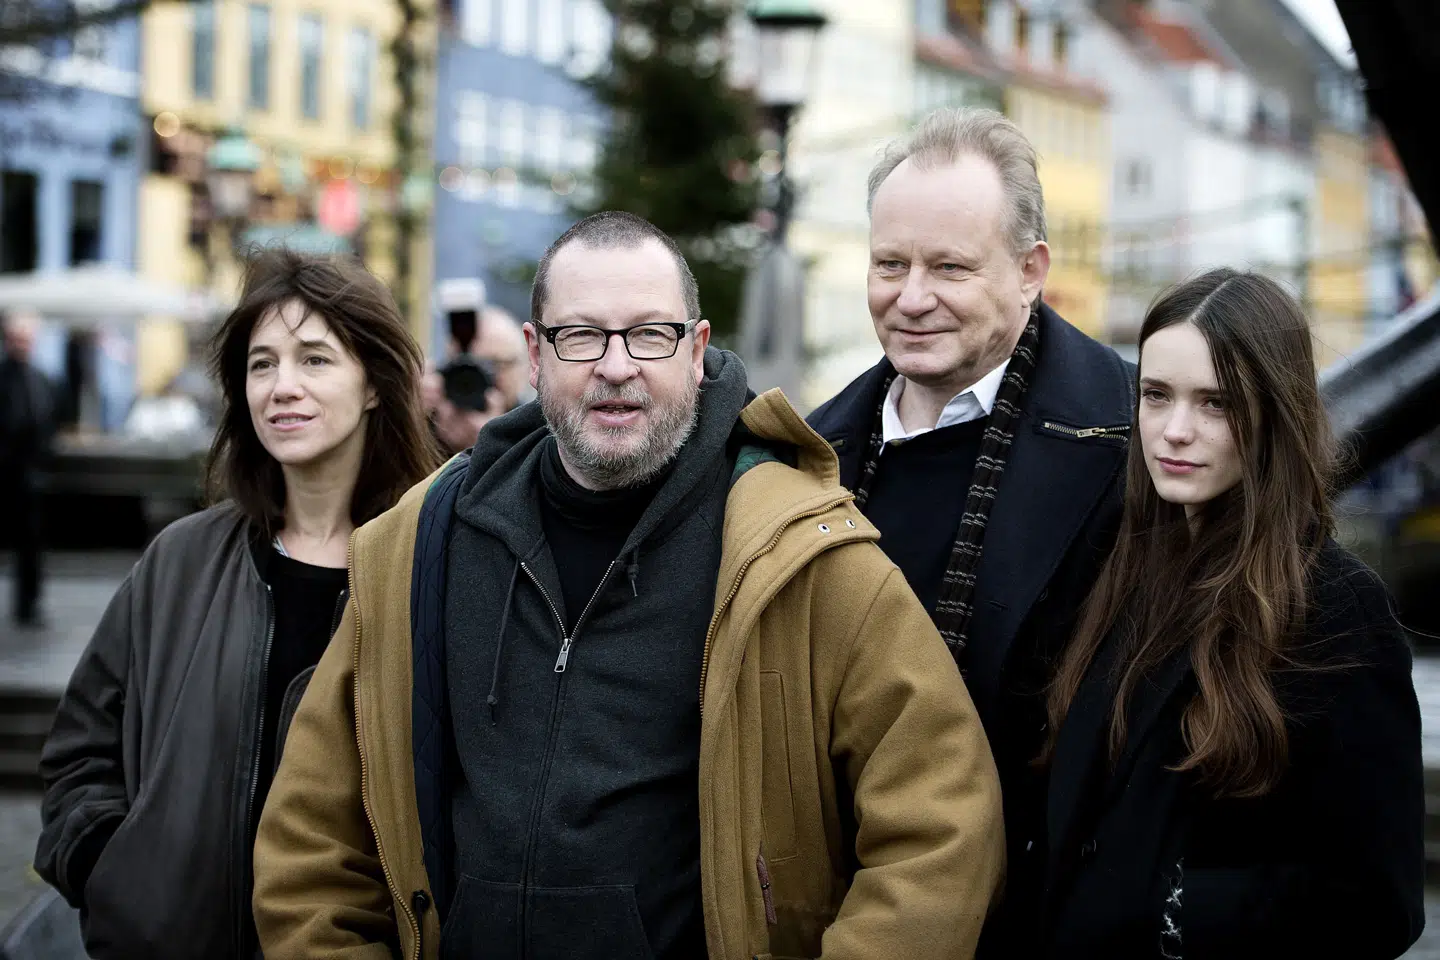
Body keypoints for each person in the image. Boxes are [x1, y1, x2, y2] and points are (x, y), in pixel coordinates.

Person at [254, 211, 1006, 960]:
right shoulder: (420, 544)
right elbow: (312, 843)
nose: (617, 367)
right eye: (580, 336)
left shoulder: (801, 556)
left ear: (698, 349)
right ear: (534, 354)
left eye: (650, 335)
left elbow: (943, 827)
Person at [33, 250, 441, 959]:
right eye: (262, 364)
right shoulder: (182, 560)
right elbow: (80, 748)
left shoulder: (428, 567)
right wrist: (114, 872)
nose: (283, 387)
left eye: (314, 360)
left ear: (374, 384)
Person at [806, 106, 1134, 952]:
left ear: (1032, 271)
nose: (912, 299)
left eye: (950, 267)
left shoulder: (1138, 442)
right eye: (890, 264)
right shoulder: (802, 454)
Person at [1038, 269, 1425, 959]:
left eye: (1216, 404)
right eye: (1156, 396)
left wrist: (1166, 916)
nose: (1175, 431)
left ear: (1274, 413)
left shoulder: (1336, 608)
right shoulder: (1116, 572)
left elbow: (1377, 901)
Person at [0, 309, 55, 628]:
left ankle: (28, 604)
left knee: (30, 544)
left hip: (30, 476)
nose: (22, 344)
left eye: (27, 339)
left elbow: (47, 420)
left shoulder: (39, 378)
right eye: (17, 338)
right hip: (6, 471)